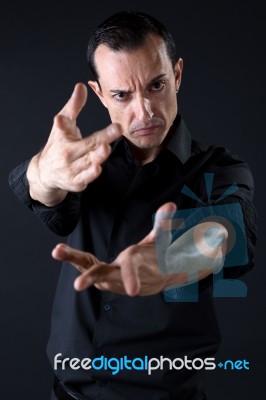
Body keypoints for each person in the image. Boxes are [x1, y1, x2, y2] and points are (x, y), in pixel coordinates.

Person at [9, 10, 257, 400]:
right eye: (122, 95)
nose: (144, 112)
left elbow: (224, 232)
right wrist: (43, 173)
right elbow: (46, 194)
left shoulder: (221, 169)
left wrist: (171, 261)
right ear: (100, 93)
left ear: (176, 75)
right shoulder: (86, 162)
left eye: (156, 85)